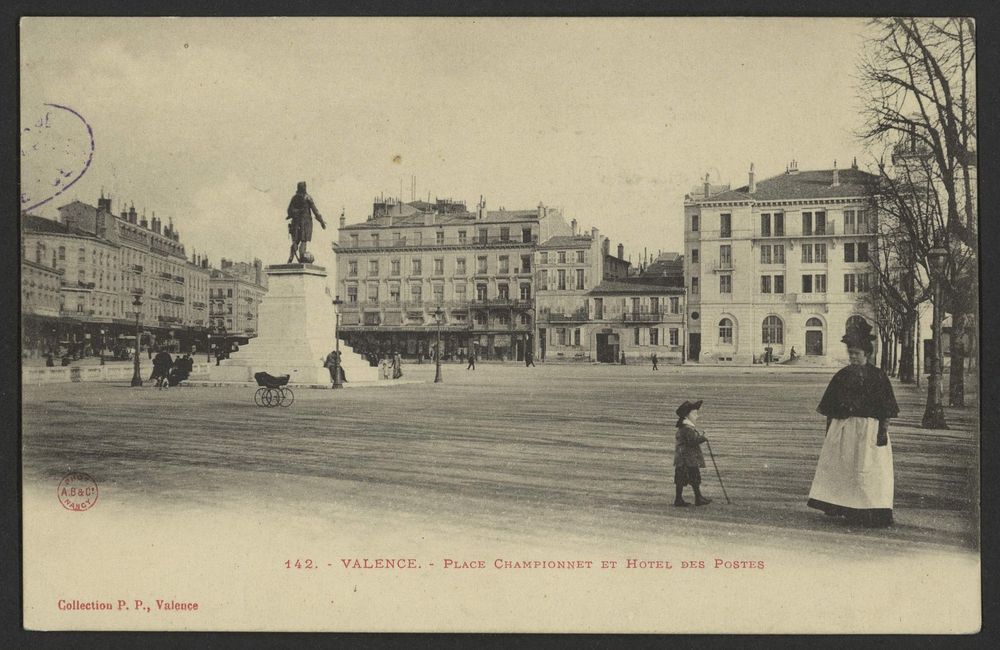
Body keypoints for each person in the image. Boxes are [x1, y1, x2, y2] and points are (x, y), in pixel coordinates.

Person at [807, 319, 899, 528]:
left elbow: (886, 407)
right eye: (851, 354)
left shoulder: (878, 376)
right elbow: (830, 407)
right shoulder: (842, 375)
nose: (853, 358)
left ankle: (872, 511)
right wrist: (829, 432)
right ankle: (848, 509)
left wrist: (883, 431)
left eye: (857, 354)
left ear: (867, 354)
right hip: (845, 429)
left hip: (870, 430)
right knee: (846, 469)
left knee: (871, 471)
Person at [673, 400, 712, 507]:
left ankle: (681, 498)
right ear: (687, 415)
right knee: (691, 478)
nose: (697, 416)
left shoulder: (685, 427)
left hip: (683, 458)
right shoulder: (687, 428)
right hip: (687, 459)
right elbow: (692, 441)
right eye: (694, 413)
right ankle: (695, 498)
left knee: (683, 478)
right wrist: (703, 438)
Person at [286, 181, 326, 264]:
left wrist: (295, 213)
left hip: (297, 222)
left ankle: (291, 257)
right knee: (303, 241)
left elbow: (289, 210)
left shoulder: (295, 198)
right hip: (305, 223)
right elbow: (315, 210)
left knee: (296, 241)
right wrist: (321, 221)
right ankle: (299, 257)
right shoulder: (307, 197)